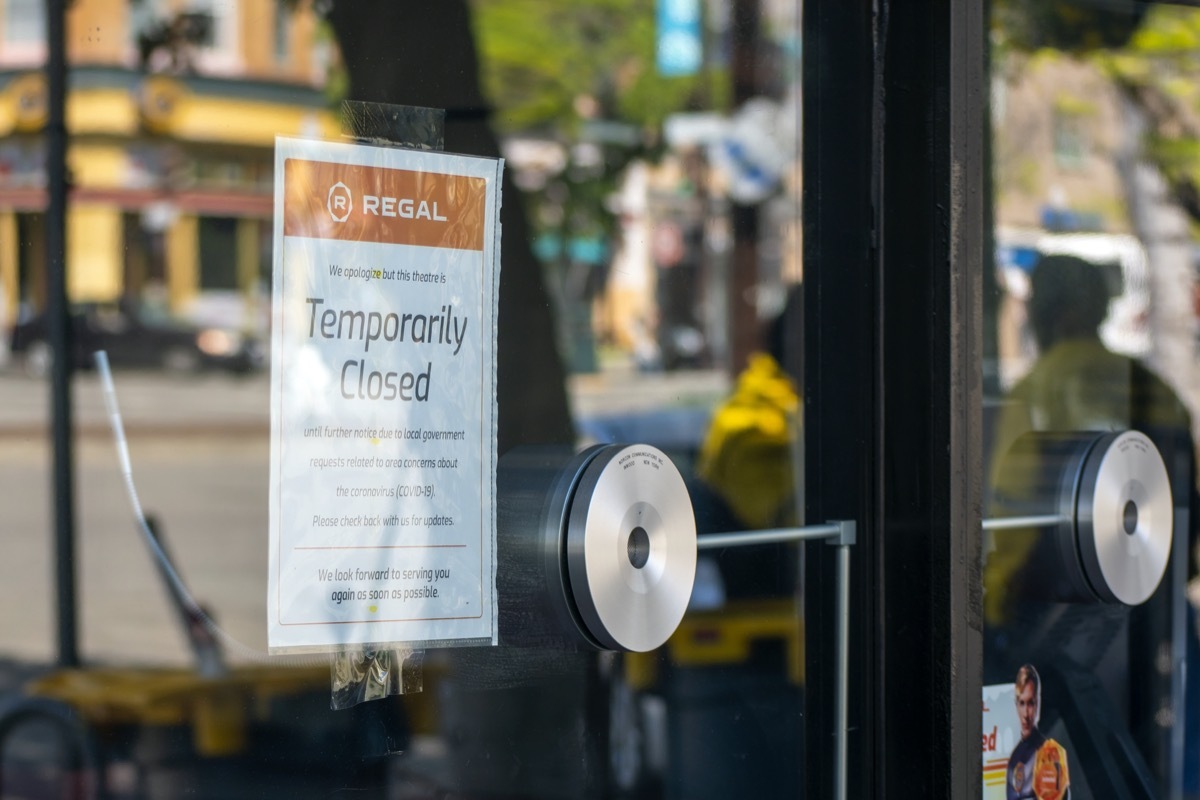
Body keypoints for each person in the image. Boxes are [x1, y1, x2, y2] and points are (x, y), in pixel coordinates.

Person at [1007, 664, 1071, 800]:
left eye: (1031, 703)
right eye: (1022, 703)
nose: (1026, 714)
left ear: (1038, 704)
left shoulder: (1050, 753)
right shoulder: (1014, 757)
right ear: (1016, 705)